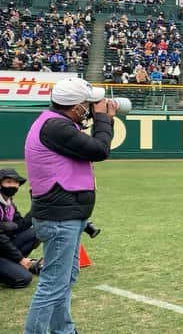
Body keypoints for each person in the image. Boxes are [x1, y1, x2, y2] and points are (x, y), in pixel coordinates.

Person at [24, 77, 117, 334]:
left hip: (66, 216)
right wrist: (103, 119)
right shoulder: (56, 127)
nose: (91, 107)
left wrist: (101, 119)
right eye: (87, 103)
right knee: (54, 283)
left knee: (65, 278)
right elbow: (99, 149)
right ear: (75, 106)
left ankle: (63, 329)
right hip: (59, 218)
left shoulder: (57, 124)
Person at [0, 168, 40, 289]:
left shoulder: (8, 203)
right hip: (2, 244)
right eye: (8, 182)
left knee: (38, 231)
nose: (13, 185)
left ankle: (12, 265)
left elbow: (21, 226)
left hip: (3, 249)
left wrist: (36, 204)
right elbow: (1, 239)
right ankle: (16, 265)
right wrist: (21, 259)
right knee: (23, 278)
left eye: (15, 182)